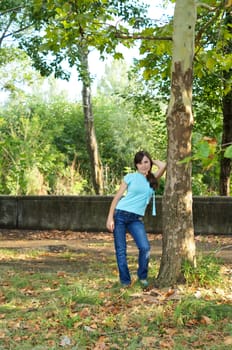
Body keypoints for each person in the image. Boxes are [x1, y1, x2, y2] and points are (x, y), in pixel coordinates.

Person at [106, 150, 166, 288]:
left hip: (136, 219)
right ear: (136, 165)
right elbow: (117, 197)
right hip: (120, 214)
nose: (143, 165)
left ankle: (142, 277)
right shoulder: (130, 177)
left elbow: (163, 165)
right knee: (121, 250)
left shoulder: (153, 178)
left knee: (145, 247)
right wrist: (110, 217)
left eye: (146, 162)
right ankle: (125, 282)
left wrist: (152, 160)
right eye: (139, 163)